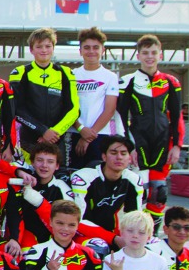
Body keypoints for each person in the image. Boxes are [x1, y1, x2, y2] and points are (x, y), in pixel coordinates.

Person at [118, 34, 183, 232]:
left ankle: (152, 236)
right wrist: (128, 147)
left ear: (160, 55)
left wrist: (177, 146)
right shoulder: (127, 81)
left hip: (163, 145)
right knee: (139, 193)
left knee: (159, 193)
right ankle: (133, 235)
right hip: (138, 144)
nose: (149, 57)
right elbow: (121, 118)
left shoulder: (171, 82)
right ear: (138, 55)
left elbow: (177, 116)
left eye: (153, 53)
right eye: (145, 53)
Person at [9, 27, 80, 162]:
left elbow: (74, 109)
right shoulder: (20, 72)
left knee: (57, 174)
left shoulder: (66, 73)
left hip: (57, 139)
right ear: (31, 50)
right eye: (39, 46)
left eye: (48, 46)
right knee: (29, 174)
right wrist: (42, 131)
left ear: (53, 48)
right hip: (30, 139)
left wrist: (55, 132)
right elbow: (16, 109)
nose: (44, 50)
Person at [71, 135, 144, 248]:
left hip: (112, 233)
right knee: (100, 247)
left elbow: (135, 218)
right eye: (113, 153)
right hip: (81, 233)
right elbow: (76, 220)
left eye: (123, 153)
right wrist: (113, 239)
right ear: (104, 157)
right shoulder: (83, 177)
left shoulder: (134, 180)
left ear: (129, 158)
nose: (119, 157)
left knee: (151, 244)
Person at [73, 27, 123, 167]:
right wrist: (81, 129)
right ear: (80, 51)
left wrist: (89, 136)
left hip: (99, 134)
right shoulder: (72, 74)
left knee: (96, 174)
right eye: (87, 47)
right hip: (74, 133)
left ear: (103, 50)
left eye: (96, 47)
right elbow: (67, 107)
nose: (91, 51)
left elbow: (110, 109)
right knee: (74, 174)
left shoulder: (110, 77)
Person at [11, 142, 72, 249]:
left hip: (53, 236)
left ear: (57, 166)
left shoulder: (62, 188)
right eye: (40, 160)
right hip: (26, 235)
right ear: (32, 162)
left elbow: (69, 222)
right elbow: (0, 164)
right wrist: (19, 172)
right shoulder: (25, 177)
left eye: (50, 162)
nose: (44, 165)